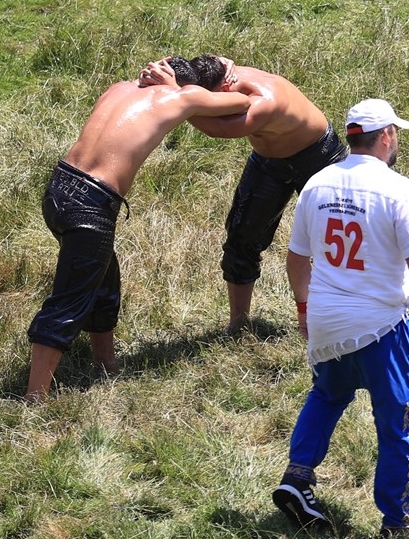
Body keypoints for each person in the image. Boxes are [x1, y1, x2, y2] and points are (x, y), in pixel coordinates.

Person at [272, 98, 409, 539]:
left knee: (327, 395)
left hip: (327, 320)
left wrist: (305, 309)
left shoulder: (317, 184)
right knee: (401, 419)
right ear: (386, 136)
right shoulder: (398, 189)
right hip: (380, 325)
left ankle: (298, 477)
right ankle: (398, 520)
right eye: (396, 133)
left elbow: (296, 258)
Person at [25, 59, 252, 401]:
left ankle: (105, 363)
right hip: (91, 203)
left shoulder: (118, 89)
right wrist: (181, 90)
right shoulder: (180, 97)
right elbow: (242, 102)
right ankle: (34, 398)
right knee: (70, 298)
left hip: (59, 190)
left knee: (104, 279)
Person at [139, 55, 348, 333]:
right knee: (241, 238)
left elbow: (219, 129)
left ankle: (333, 318)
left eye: (208, 100)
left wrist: (180, 99)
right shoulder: (218, 69)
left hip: (318, 157)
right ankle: (239, 323)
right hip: (268, 159)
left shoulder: (264, 99)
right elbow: (207, 67)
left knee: (336, 241)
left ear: (224, 89)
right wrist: (166, 80)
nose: (209, 106)